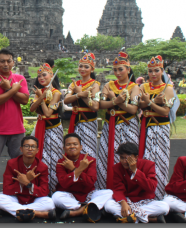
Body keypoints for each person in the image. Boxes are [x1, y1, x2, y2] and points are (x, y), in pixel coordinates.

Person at [0, 49, 29, 183]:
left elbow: (25, 100)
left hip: (17, 129)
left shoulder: (19, 79)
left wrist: (9, 89)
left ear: (13, 62)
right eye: (2, 61)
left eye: (9, 61)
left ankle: (18, 190)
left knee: (19, 162)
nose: (6, 64)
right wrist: (13, 89)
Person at [97, 51, 140, 190]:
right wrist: (116, 100)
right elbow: (101, 105)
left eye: (120, 69)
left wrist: (116, 102)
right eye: (115, 69)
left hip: (128, 125)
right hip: (110, 125)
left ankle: (128, 188)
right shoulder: (109, 85)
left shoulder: (134, 87)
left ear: (128, 69)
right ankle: (107, 186)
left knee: (128, 156)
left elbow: (133, 110)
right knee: (106, 155)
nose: (117, 72)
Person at [52, 133, 113, 222]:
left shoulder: (90, 160)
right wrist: (78, 170)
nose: (72, 146)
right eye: (68, 145)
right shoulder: (61, 162)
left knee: (109, 192)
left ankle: (78, 211)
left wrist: (73, 169)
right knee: (56, 196)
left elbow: (90, 182)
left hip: (87, 194)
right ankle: (88, 208)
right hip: (69, 195)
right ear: (64, 148)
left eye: (75, 144)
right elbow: (64, 184)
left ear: (81, 147)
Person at [138, 55, 175, 200]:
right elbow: (139, 105)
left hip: (160, 127)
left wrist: (150, 103)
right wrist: (151, 102)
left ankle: (158, 193)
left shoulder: (168, 89)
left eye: (156, 71)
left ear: (162, 71)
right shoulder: (143, 86)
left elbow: (166, 111)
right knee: (144, 157)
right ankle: (143, 193)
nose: (153, 74)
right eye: (151, 71)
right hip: (145, 126)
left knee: (159, 159)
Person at [104, 142, 169, 223]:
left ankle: (130, 217)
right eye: (122, 158)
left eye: (128, 158)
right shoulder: (117, 168)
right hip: (128, 201)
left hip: (145, 201)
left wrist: (135, 171)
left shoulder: (148, 165)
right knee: (108, 205)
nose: (124, 161)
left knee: (164, 207)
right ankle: (148, 218)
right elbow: (118, 189)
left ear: (136, 157)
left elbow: (151, 188)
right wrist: (123, 203)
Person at [0, 136, 56, 222]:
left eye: (33, 146)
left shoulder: (43, 167)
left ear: (37, 150)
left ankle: (14, 211)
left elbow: (44, 191)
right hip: (16, 197)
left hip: (34, 198)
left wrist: (28, 184)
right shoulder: (11, 163)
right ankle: (37, 213)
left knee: (50, 203)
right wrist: (21, 183)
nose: (30, 149)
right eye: (27, 146)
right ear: (21, 149)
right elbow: (6, 189)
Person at [30, 63, 63, 193]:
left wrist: (42, 98)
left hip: (54, 129)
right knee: (41, 157)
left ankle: (54, 188)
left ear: (51, 76)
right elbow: (32, 109)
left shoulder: (56, 93)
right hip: (40, 127)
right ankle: (40, 187)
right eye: (39, 76)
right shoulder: (39, 91)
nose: (41, 78)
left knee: (54, 157)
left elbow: (48, 113)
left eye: (44, 75)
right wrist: (41, 96)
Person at [64, 53, 100, 158]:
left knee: (88, 151)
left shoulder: (95, 84)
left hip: (88, 121)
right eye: (80, 66)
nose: (82, 69)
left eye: (86, 67)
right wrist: (79, 94)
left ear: (92, 69)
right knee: (73, 151)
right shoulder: (74, 84)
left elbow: (95, 106)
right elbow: (66, 100)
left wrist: (81, 95)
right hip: (75, 121)